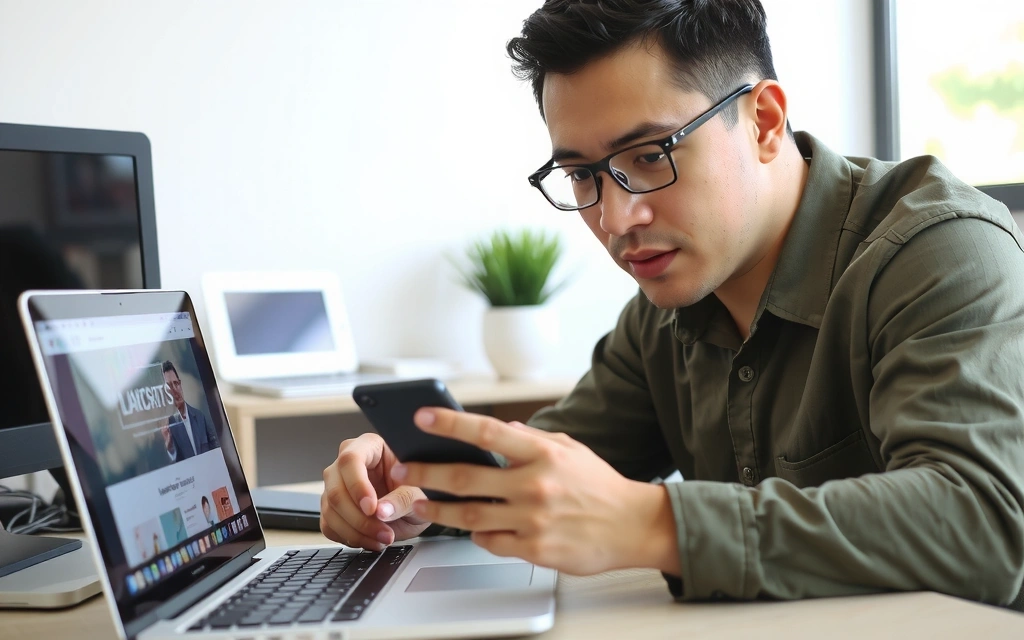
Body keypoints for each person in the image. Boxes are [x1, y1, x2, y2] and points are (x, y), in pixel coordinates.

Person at [320, 0, 1024, 608]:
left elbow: (986, 523)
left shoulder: (940, 252)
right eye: (583, 175)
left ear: (765, 121)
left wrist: (655, 524)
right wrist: (416, 493)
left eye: (652, 155)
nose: (617, 217)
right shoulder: (664, 311)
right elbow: (557, 476)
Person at [162, 360, 219, 455]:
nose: (175, 390)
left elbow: (216, 447)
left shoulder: (200, 416)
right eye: (169, 387)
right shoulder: (169, 426)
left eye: (176, 383)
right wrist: (170, 449)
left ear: (180, 384)